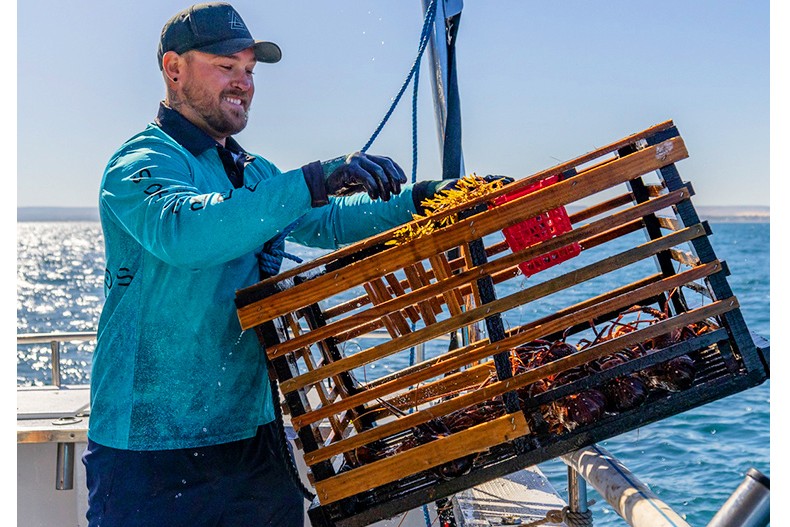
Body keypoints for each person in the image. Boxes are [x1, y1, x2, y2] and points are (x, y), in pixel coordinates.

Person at [82, 3, 454, 526]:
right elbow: (188, 233)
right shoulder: (141, 163)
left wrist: (428, 197)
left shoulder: (252, 171)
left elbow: (331, 221)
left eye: (250, 72)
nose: (243, 84)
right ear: (173, 68)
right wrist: (310, 181)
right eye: (226, 67)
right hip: (149, 449)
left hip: (253, 438)